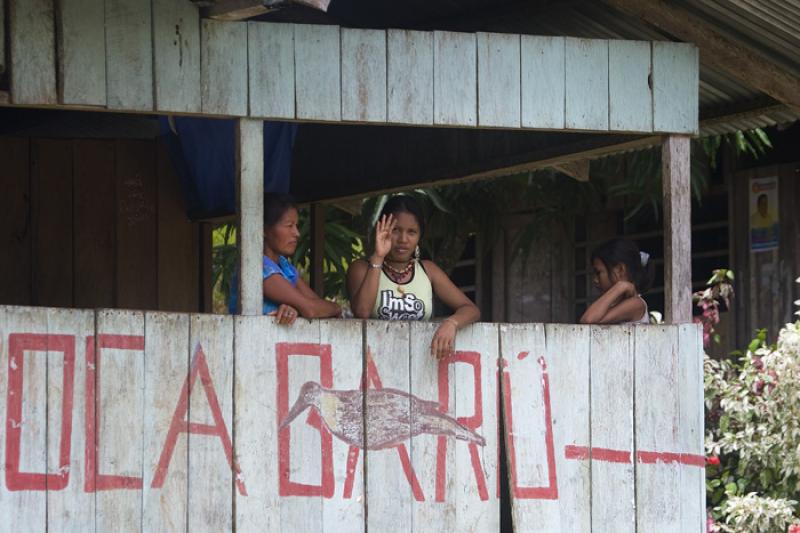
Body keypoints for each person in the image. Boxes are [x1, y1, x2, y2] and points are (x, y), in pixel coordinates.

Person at [346, 195, 480, 359]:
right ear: (381, 229)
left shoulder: (428, 270)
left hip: (418, 363)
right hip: (369, 361)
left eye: (412, 232)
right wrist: (378, 257)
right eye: (396, 230)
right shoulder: (361, 268)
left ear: (419, 237)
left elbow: (471, 309)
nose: (403, 239)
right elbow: (362, 311)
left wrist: (451, 323)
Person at [229, 193, 341, 324]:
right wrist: (335, 307)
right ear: (264, 229)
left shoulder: (285, 266)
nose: (297, 233)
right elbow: (311, 309)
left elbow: (317, 306)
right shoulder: (256, 267)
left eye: (296, 226)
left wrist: (297, 310)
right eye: (289, 225)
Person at [579, 238, 654, 325]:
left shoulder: (636, 303)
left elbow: (588, 320)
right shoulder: (617, 304)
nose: (595, 280)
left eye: (598, 272)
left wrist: (620, 287)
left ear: (620, 270)